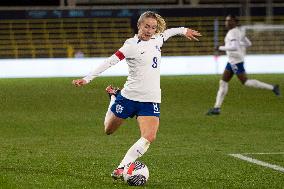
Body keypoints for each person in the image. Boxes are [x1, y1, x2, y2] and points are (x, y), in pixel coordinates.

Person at [72, 11, 201, 180]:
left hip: (151, 99)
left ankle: (121, 168)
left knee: (149, 136)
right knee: (108, 130)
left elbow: (169, 32)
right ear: (139, 25)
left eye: (153, 27)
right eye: (147, 26)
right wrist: (87, 79)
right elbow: (110, 61)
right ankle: (113, 98)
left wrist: (185, 31)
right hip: (129, 97)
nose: (150, 30)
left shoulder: (157, 39)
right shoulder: (131, 45)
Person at [207, 15, 280, 115]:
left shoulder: (232, 33)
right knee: (223, 82)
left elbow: (234, 47)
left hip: (235, 61)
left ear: (234, 22)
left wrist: (219, 48)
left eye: (229, 20)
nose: (226, 22)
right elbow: (248, 43)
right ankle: (216, 108)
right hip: (233, 60)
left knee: (245, 82)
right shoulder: (239, 31)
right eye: (226, 20)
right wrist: (239, 45)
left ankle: (272, 87)